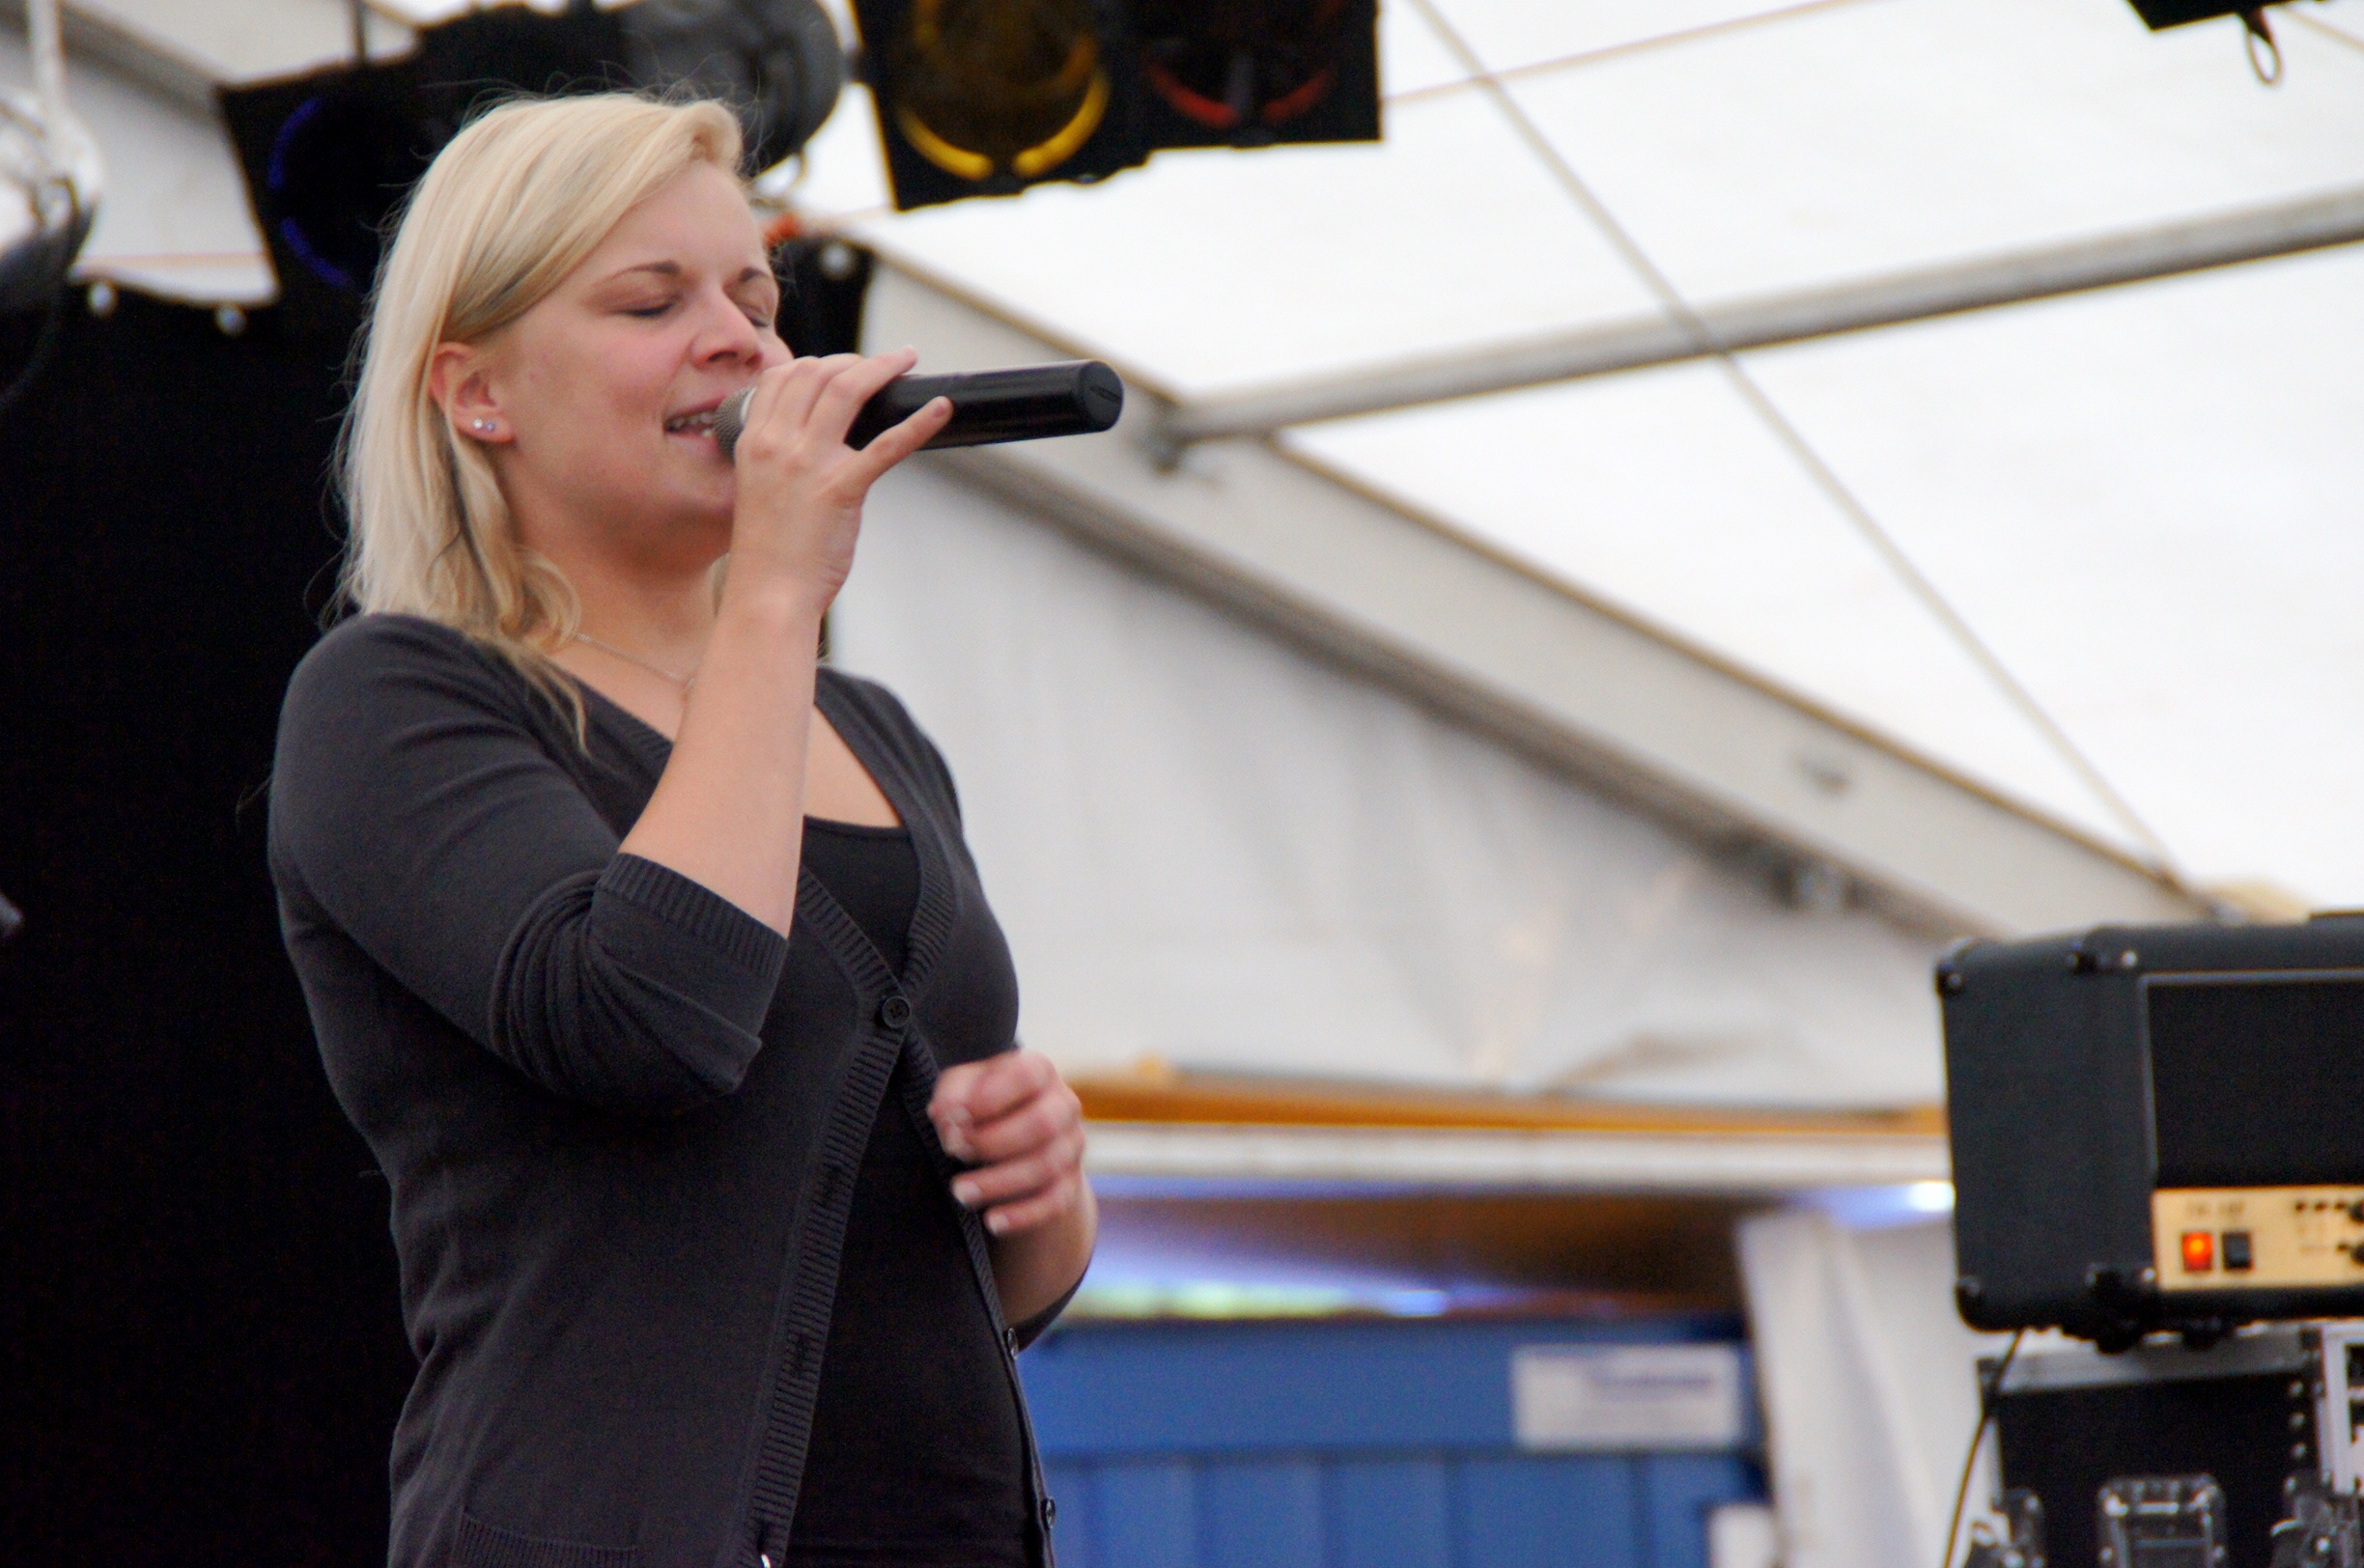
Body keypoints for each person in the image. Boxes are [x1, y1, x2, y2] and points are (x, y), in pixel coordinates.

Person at [267, 94, 1095, 1568]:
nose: (739, 344)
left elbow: (946, 1280)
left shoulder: (875, 733)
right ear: (476, 391)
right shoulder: (395, 701)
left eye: (757, 302)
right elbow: (653, 1019)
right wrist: (776, 592)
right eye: (653, 303)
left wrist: (1043, 1200)